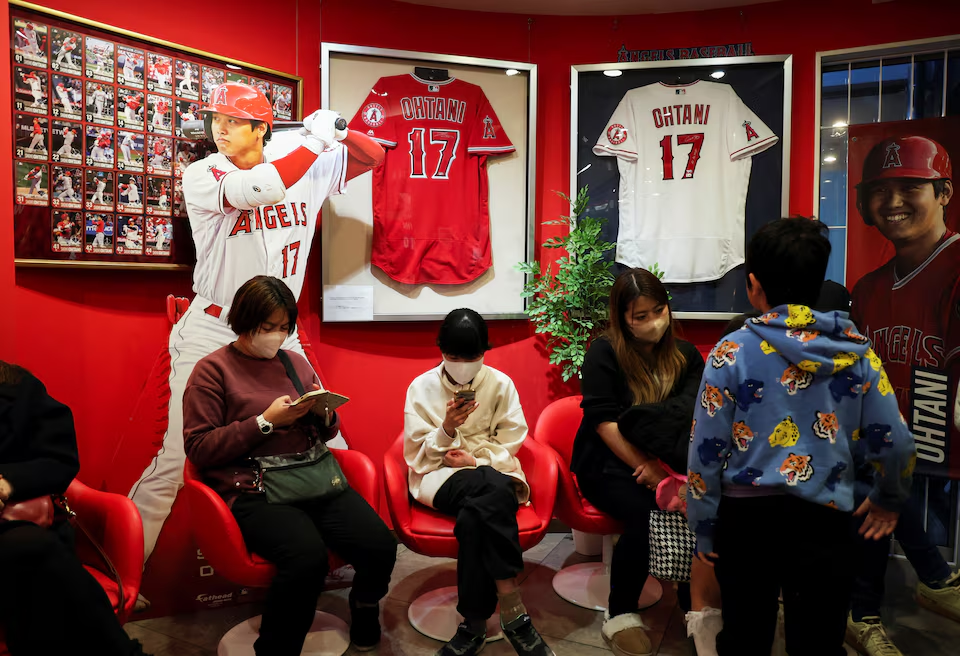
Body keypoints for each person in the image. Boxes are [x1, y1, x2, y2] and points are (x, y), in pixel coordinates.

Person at [128, 81, 386, 565]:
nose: (218, 129)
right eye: (216, 119)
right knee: (173, 459)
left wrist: (340, 130)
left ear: (261, 128)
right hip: (213, 326)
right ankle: (127, 568)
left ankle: (345, 558)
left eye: (231, 121)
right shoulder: (204, 173)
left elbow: (372, 156)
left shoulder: (307, 158)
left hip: (278, 333)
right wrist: (314, 142)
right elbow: (260, 188)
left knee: (332, 438)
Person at [687, 217, 916, 656]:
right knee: (818, 641)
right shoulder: (856, 353)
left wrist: (705, 527)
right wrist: (890, 497)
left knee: (744, 638)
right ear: (820, 281)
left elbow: (706, 451)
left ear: (753, 286)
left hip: (746, 523)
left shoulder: (731, 351)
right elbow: (898, 442)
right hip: (825, 520)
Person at [182, 276, 395, 655]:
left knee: (379, 544)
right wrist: (265, 422)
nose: (277, 337)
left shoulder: (294, 363)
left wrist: (325, 416)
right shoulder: (212, 371)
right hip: (255, 489)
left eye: (284, 328)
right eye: (268, 328)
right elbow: (199, 448)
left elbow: (326, 434)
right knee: (306, 559)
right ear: (245, 322)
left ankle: (364, 606)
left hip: (313, 478)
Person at [846, 136, 960, 656]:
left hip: (943, 439)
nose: (892, 202)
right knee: (876, 487)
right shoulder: (867, 289)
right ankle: (923, 584)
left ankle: (881, 603)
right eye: (880, 190)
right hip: (891, 443)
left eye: (910, 186)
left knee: (882, 487)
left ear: (944, 192)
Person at [572, 268, 717, 656]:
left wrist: (670, 471)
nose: (653, 322)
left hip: (670, 460)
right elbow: (603, 423)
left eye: (658, 310)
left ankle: (697, 606)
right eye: (640, 316)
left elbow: (694, 414)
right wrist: (648, 469)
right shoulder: (604, 351)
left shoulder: (686, 356)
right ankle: (620, 613)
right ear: (622, 318)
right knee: (646, 512)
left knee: (698, 505)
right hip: (606, 462)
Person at [404, 308, 554, 656]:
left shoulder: (500, 384)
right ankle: (513, 609)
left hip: (486, 473)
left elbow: (512, 439)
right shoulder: (421, 387)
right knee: (494, 487)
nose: (462, 364)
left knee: (476, 516)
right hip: (439, 477)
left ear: (485, 351)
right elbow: (416, 456)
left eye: (471, 357)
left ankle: (472, 625)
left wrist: (475, 460)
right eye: (454, 357)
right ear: (441, 349)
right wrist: (447, 429)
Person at [0, 361, 152, 656]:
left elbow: (59, 462)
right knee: (31, 554)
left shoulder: (17, 387)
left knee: (31, 551)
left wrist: (7, 482)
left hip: (21, 527)